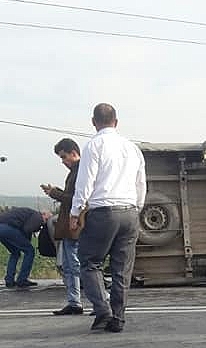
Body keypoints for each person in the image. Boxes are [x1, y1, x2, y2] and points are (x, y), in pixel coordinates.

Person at [69, 103, 146, 333]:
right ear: (116, 121)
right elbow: (141, 183)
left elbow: (85, 182)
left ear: (93, 122)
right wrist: (137, 208)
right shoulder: (132, 148)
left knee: (89, 262)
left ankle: (103, 311)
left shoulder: (93, 145)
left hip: (103, 212)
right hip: (130, 211)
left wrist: (75, 212)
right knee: (122, 268)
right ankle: (118, 318)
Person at [41, 138, 84, 315]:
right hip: (70, 226)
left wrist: (55, 193)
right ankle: (75, 302)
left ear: (73, 153)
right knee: (69, 265)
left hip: (74, 225)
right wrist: (57, 192)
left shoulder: (80, 172)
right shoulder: (76, 171)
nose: (63, 161)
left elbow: (77, 199)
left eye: (64, 157)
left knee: (75, 265)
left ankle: (102, 298)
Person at [0, 207, 51, 289]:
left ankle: (9, 280)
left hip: (2, 228)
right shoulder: (38, 217)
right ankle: (22, 280)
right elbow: (27, 230)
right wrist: (27, 243)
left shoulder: (30, 214)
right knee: (30, 251)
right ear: (43, 214)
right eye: (47, 219)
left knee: (15, 253)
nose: (45, 222)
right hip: (8, 229)